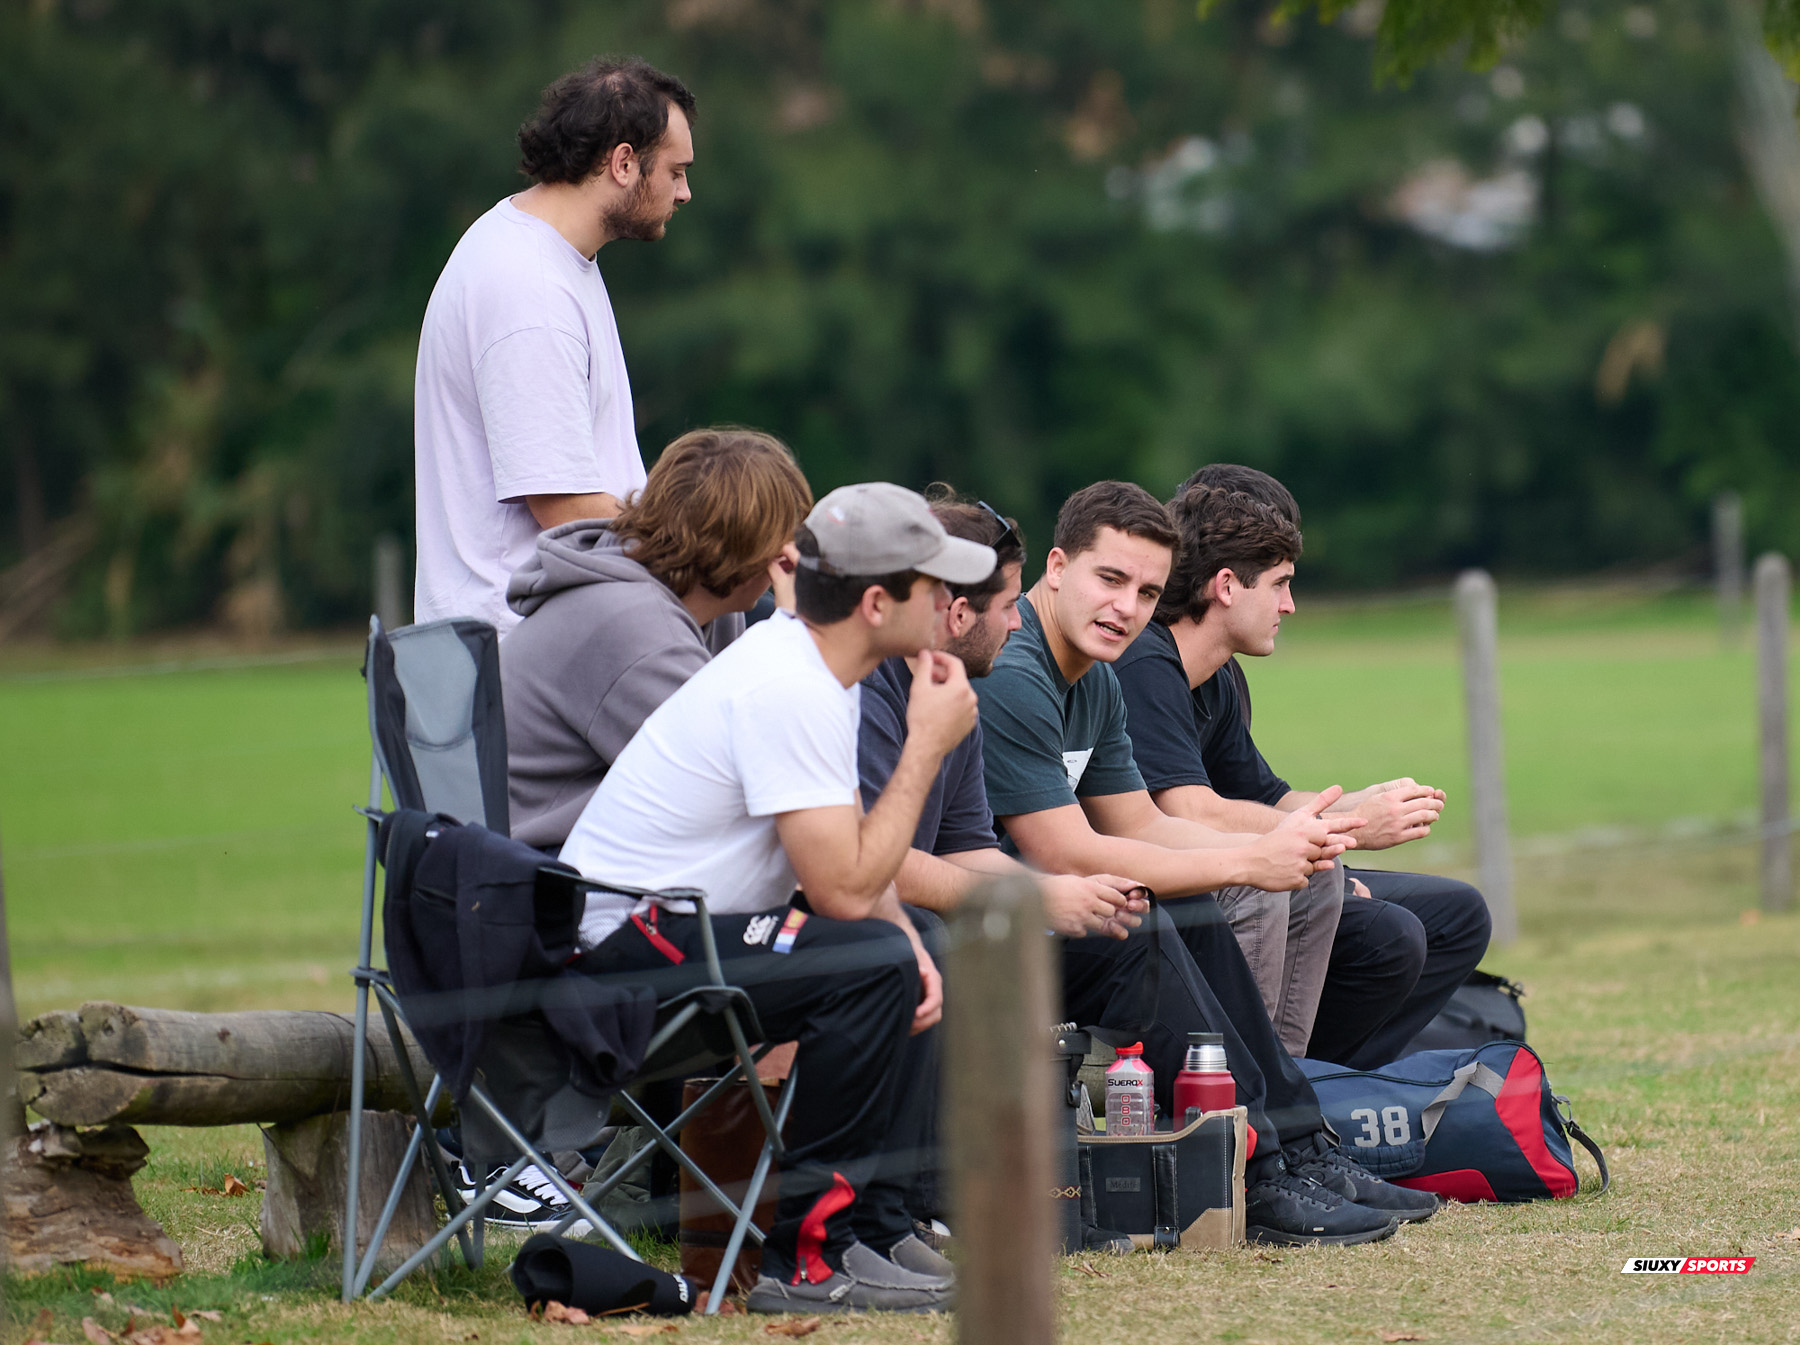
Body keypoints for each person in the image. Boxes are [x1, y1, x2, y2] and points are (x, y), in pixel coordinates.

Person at [561, 482, 995, 1312]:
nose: (952, 600)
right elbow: (838, 887)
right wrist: (927, 746)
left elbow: (843, 866)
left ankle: (867, 1230)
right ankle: (809, 1259)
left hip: (673, 933)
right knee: (869, 964)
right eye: (934, 582)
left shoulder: (813, 665)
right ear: (877, 602)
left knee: (904, 950)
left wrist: (908, 936)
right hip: (620, 960)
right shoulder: (791, 687)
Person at [971, 480, 1439, 1243]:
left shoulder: (1095, 679)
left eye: (1148, 590)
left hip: (1056, 907)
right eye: (1110, 579)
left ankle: (1294, 1140)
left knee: (1177, 909)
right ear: (1056, 566)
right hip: (986, 920)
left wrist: (1261, 851)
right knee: (1149, 928)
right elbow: (1067, 848)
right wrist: (1250, 859)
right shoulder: (1019, 670)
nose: (1127, 606)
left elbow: (1143, 821)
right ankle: (1253, 1165)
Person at [1114, 465, 1491, 1068]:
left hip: (1226, 868)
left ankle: (1322, 1087)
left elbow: (1266, 797)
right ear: (1228, 586)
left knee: (1459, 915)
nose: (1290, 605)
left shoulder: (1220, 676)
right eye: (1282, 584)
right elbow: (1184, 810)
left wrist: (1356, 807)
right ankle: (1280, 1094)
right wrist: (1341, 837)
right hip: (1163, 885)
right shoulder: (1143, 666)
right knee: (1390, 935)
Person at [414, 58, 697, 631]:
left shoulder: (549, 255)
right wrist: (705, 540)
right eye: (676, 172)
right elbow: (564, 509)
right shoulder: (530, 290)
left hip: (548, 637)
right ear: (623, 163)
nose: (686, 192)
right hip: (517, 655)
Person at [501, 427, 809, 851]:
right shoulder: (637, 629)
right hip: (547, 881)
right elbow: (758, 791)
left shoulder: (688, 604)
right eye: (785, 536)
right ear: (753, 549)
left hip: (593, 856)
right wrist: (792, 636)